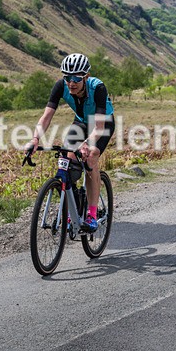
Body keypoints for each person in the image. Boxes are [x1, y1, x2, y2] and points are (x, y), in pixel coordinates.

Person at [28, 53, 115, 232]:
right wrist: (35, 138)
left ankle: (91, 214)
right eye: (68, 77)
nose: (71, 83)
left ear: (86, 77)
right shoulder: (61, 86)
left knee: (91, 157)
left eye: (76, 78)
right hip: (81, 122)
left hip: (102, 123)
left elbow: (99, 127)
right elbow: (46, 117)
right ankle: (73, 208)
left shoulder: (98, 88)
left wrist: (87, 143)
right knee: (67, 161)